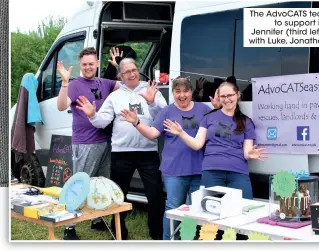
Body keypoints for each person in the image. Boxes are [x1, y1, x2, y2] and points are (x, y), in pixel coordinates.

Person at [75, 58, 167, 240]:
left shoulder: (151, 90)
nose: (132, 74)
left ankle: (157, 234)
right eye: (127, 72)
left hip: (148, 152)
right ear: (121, 75)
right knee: (119, 196)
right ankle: (118, 233)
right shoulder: (115, 96)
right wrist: (92, 115)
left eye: (134, 70)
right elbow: (102, 121)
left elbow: (163, 116)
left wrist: (151, 102)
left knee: (155, 195)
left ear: (138, 70)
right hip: (121, 153)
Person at [120, 76, 220, 240]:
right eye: (177, 91)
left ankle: (189, 240)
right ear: (173, 92)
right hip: (174, 170)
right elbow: (153, 133)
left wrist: (217, 108)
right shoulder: (167, 111)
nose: (182, 95)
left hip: (200, 168)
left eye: (185, 91)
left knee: (198, 209)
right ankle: (170, 241)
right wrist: (136, 122)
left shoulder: (203, 109)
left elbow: (218, 124)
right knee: (174, 208)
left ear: (191, 91)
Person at [57, 47, 122, 240]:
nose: (88, 67)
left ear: (97, 64)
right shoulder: (75, 84)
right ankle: (69, 227)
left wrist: (117, 67)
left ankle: (97, 219)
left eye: (91, 64)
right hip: (85, 143)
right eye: (84, 64)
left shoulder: (104, 82)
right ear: (80, 65)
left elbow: (125, 85)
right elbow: (61, 106)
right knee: (80, 183)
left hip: (105, 140)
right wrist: (64, 82)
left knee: (100, 184)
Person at [163, 81, 268, 199]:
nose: (227, 99)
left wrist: (250, 154)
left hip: (238, 172)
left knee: (243, 209)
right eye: (223, 96)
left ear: (237, 95)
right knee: (212, 211)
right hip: (212, 172)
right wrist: (181, 133)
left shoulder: (246, 122)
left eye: (230, 95)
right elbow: (197, 144)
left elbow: (246, 152)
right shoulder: (208, 117)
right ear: (219, 97)